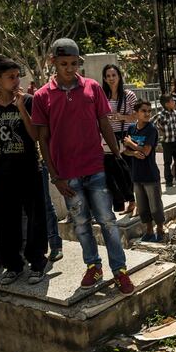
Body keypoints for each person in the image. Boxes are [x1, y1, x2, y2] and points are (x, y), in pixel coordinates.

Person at [32, 38, 134, 294]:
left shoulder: (92, 88)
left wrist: (117, 154)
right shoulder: (42, 95)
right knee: (81, 225)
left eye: (74, 63)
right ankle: (93, 266)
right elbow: (43, 139)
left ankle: (120, 270)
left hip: (95, 168)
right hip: (67, 175)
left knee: (108, 221)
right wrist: (55, 176)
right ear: (53, 62)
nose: (69, 68)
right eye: (64, 63)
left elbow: (104, 123)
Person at [0, 57, 48, 285]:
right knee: (7, 221)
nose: (16, 80)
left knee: (36, 217)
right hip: (3, 174)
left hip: (29, 170)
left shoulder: (28, 100)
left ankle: (37, 263)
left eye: (18, 76)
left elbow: (35, 136)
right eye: (11, 77)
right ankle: (13, 265)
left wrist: (20, 108)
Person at [123, 101, 165, 242]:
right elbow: (125, 152)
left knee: (155, 206)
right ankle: (149, 231)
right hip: (136, 174)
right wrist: (134, 153)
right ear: (136, 113)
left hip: (150, 174)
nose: (147, 114)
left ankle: (160, 230)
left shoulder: (151, 130)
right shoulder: (131, 129)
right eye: (143, 111)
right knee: (142, 207)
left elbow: (146, 151)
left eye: (149, 111)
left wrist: (131, 144)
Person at [102, 64, 137, 215]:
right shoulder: (102, 95)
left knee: (127, 170)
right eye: (108, 76)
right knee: (111, 173)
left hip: (125, 135)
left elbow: (136, 116)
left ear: (119, 76)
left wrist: (120, 116)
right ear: (104, 78)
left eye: (113, 75)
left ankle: (133, 201)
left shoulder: (129, 95)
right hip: (108, 137)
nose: (111, 79)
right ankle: (122, 204)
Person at [152, 94, 176, 188]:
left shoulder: (175, 112)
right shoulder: (160, 115)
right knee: (167, 162)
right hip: (167, 142)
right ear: (167, 104)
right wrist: (159, 130)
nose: (174, 103)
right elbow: (152, 123)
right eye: (172, 101)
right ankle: (169, 181)